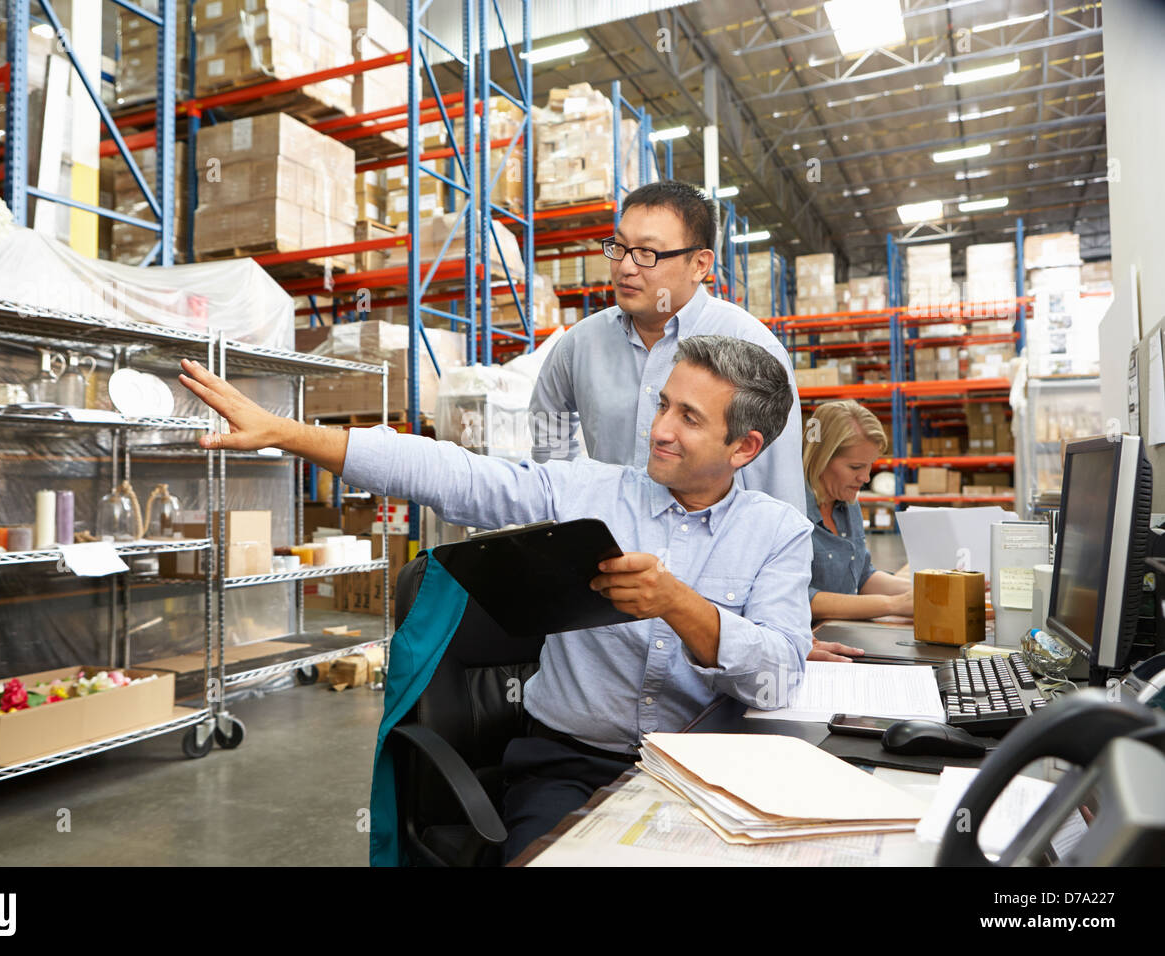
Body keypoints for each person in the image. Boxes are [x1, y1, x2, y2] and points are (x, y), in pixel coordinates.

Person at [178, 335, 812, 862]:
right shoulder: (585, 492)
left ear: (744, 447)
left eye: (690, 418)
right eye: (664, 405)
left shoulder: (778, 534)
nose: (660, 430)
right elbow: (453, 474)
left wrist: (679, 603)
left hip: (707, 777)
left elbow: (780, 675)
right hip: (568, 765)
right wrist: (289, 433)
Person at [528, 179, 805, 514]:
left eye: (647, 253)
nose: (626, 267)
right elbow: (548, 424)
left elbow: (778, 488)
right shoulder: (580, 344)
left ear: (699, 265)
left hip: (710, 555)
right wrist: (575, 497)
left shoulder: (751, 346)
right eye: (619, 247)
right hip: (608, 547)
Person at [802, 400, 914, 662]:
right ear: (822, 457)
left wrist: (928, 590)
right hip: (812, 648)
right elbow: (802, 597)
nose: (865, 478)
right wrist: (895, 605)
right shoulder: (790, 509)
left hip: (846, 634)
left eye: (869, 466)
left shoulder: (847, 501)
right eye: (855, 467)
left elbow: (862, 576)